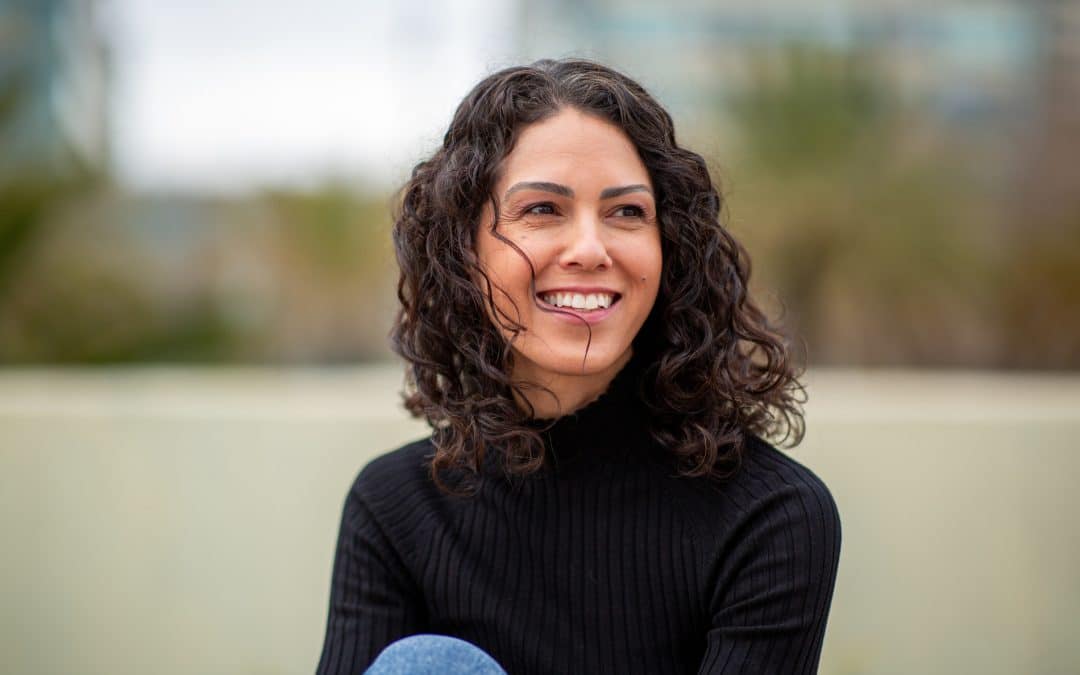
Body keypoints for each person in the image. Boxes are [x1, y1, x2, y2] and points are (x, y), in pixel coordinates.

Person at [316, 58, 841, 675]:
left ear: (669, 249)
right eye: (542, 209)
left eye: (627, 213)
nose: (590, 250)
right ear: (464, 253)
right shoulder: (397, 507)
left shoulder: (769, 515)